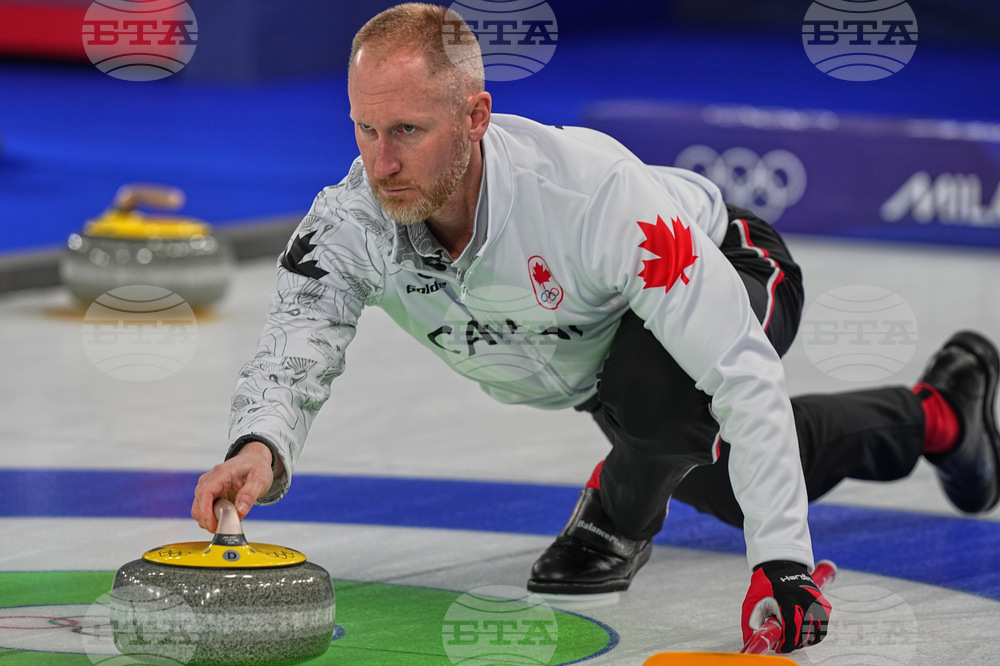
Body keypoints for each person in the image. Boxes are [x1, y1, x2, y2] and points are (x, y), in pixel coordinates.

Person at [191, 2, 1000, 654]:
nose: (380, 163)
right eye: (364, 129)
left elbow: (738, 373)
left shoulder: (593, 200)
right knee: (716, 473)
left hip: (734, 264)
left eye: (406, 130)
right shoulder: (351, 222)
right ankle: (940, 414)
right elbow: (298, 341)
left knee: (670, 404)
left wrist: (782, 565)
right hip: (601, 364)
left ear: (476, 116)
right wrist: (257, 444)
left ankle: (616, 510)